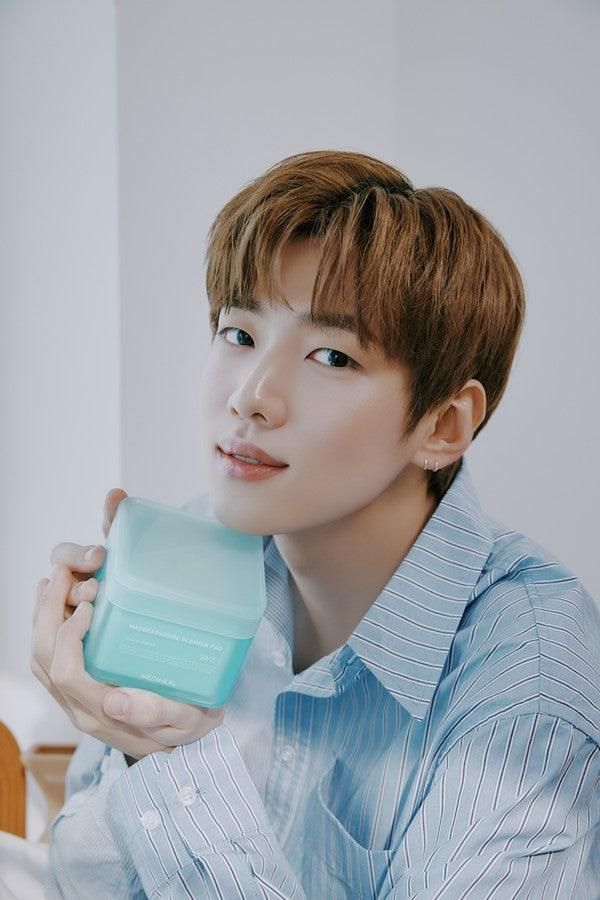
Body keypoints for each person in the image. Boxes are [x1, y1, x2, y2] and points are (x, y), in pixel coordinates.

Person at [32, 150, 600, 898]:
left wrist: (171, 760)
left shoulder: (530, 678)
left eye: (331, 356)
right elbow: (79, 878)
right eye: (238, 334)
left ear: (443, 424)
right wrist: (123, 698)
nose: (251, 397)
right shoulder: (211, 549)